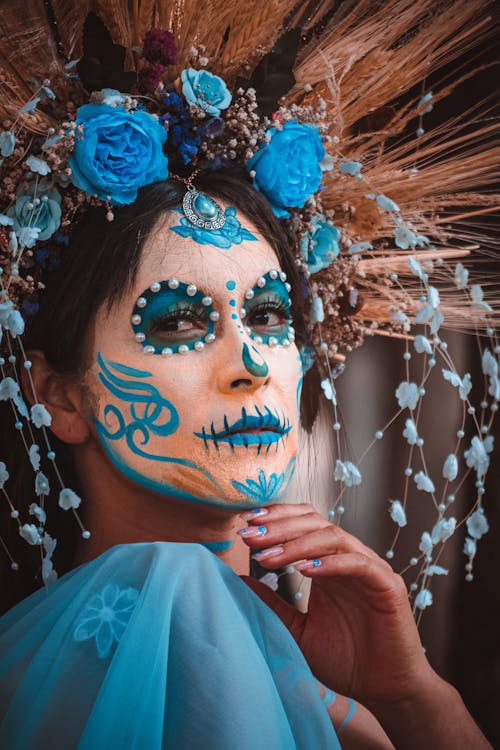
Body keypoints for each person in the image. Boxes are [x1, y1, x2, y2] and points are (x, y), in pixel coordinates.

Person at [0, 2, 497, 747]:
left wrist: (408, 694)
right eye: (175, 322)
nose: (251, 366)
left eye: (268, 318)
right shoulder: (181, 602)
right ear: (61, 396)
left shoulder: (300, 659)